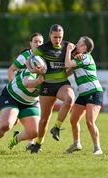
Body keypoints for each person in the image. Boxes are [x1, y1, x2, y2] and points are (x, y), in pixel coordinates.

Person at [0, 32, 44, 149]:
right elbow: (11, 70)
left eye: (40, 42)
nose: (38, 44)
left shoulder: (45, 57)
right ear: (30, 43)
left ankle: (30, 143)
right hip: (18, 91)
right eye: (35, 41)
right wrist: (15, 86)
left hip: (32, 94)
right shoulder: (25, 56)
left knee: (34, 121)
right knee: (12, 121)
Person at [0, 62, 45, 154]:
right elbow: (26, 83)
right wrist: (39, 80)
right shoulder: (33, 69)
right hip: (12, 97)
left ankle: (16, 139)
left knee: (35, 132)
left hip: (30, 103)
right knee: (6, 124)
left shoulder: (52, 76)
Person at [28, 24, 75, 153]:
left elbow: (77, 60)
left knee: (70, 99)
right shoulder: (42, 49)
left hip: (62, 84)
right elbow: (29, 61)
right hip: (47, 86)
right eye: (55, 37)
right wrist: (34, 69)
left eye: (60, 37)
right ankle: (38, 144)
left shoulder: (68, 47)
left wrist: (78, 60)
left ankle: (57, 127)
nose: (57, 40)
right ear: (50, 35)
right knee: (44, 120)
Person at [64, 36, 103, 155]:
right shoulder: (79, 58)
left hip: (94, 92)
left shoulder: (85, 57)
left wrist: (68, 51)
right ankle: (76, 143)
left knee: (90, 122)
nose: (76, 44)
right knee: (73, 119)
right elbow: (67, 71)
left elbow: (67, 63)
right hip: (83, 94)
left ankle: (98, 148)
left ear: (84, 47)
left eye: (78, 43)